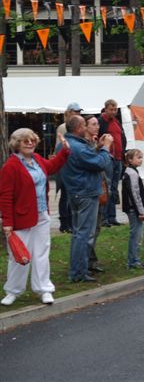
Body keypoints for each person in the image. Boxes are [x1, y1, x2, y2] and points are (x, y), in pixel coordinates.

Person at [1, 128, 70, 306]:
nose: (30, 143)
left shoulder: (38, 159)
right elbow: (5, 196)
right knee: (18, 256)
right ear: (17, 144)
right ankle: (13, 291)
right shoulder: (11, 166)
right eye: (25, 141)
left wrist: (64, 151)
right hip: (21, 218)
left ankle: (44, 289)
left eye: (32, 140)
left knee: (41, 253)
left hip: (42, 214)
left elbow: (52, 167)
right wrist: (7, 223)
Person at [60, 115, 113, 283]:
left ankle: (77, 270)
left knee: (78, 233)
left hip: (74, 192)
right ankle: (78, 273)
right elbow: (100, 163)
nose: (86, 128)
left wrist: (97, 147)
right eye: (84, 125)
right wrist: (106, 147)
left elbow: (84, 160)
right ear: (78, 128)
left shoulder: (66, 144)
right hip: (86, 193)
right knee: (83, 234)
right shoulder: (79, 147)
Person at [85, 115, 112, 274]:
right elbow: (99, 162)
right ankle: (86, 261)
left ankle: (91, 259)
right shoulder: (84, 144)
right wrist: (105, 147)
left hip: (101, 188)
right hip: (91, 191)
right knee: (89, 228)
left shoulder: (93, 143)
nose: (97, 127)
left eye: (97, 124)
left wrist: (100, 145)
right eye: (93, 124)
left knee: (96, 227)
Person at [98, 99, 126, 227]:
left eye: (115, 109)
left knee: (114, 187)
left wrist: (123, 154)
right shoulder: (101, 122)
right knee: (107, 187)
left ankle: (112, 216)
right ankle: (104, 218)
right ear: (105, 109)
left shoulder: (117, 121)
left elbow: (122, 138)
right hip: (108, 158)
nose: (113, 112)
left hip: (118, 158)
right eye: (111, 109)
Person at [55, 102, 83, 233]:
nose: (78, 114)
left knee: (69, 194)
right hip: (65, 163)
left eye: (79, 112)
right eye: (76, 112)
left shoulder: (75, 126)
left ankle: (70, 222)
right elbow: (60, 146)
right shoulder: (63, 127)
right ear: (69, 112)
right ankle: (64, 222)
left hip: (71, 163)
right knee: (65, 195)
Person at [121, 149, 144, 269]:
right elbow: (135, 194)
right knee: (136, 236)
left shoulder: (131, 172)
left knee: (136, 235)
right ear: (130, 160)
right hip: (134, 209)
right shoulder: (132, 174)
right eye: (138, 157)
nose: (141, 160)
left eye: (141, 157)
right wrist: (141, 211)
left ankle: (133, 260)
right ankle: (134, 261)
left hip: (132, 208)